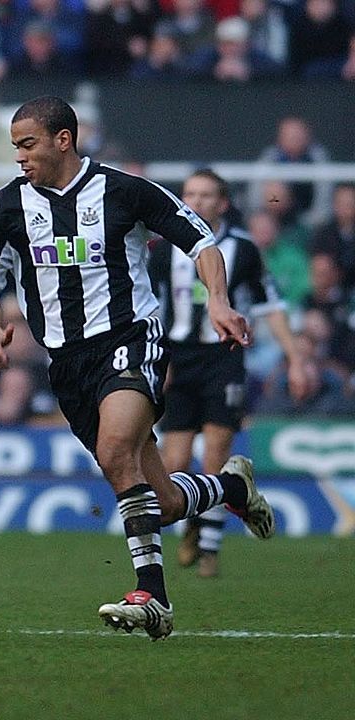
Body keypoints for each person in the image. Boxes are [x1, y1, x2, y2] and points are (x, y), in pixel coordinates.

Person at [0, 96, 274, 640]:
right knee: (163, 500)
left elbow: (202, 242)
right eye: (15, 148)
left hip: (130, 337)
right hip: (68, 363)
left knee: (114, 449)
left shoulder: (123, 190)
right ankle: (231, 491)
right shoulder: (5, 207)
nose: (19, 158)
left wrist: (217, 299)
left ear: (63, 139)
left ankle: (153, 597)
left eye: (27, 145)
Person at [150, 169, 308, 578]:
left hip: (225, 357)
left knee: (217, 452)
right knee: (175, 461)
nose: (197, 202)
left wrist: (294, 357)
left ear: (222, 203)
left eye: (206, 195)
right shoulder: (165, 250)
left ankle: (210, 548)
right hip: (179, 359)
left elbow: (270, 305)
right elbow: (148, 304)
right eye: (190, 194)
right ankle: (193, 524)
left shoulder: (244, 249)